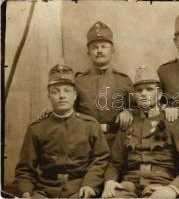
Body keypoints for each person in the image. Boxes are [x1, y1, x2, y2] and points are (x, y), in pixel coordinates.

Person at [102, 65, 179, 198]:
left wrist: (174, 188)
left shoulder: (171, 121)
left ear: (159, 94)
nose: (143, 94)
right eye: (139, 90)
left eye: (149, 89)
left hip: (160, 185)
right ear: (134, 95)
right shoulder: (128, 122)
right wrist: (109, 182)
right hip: (129, 186)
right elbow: (115, 163)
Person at [14, 64, 110, 198]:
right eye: (55, 91)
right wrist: (25, 192)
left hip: (79, 189)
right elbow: (25, 169)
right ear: (49, 96)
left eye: (67, 91)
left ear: (75, 95)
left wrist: (89, 185)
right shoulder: (36, 128)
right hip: (45, 189)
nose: (61, 96)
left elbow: (100, 160)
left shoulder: (90, 125)